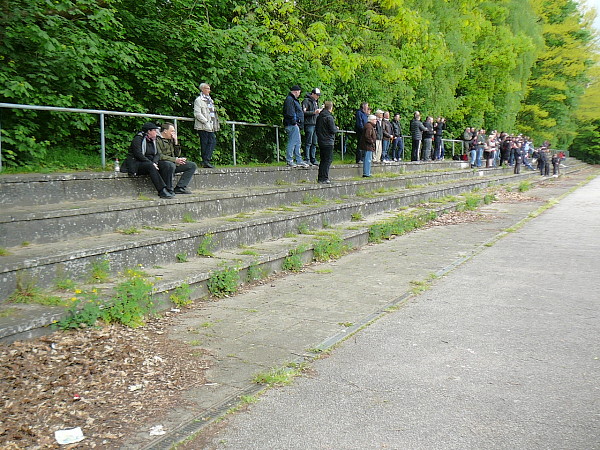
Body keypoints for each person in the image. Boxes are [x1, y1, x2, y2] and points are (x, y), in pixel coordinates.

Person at [123, 122, 173, 199]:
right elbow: (138, 155)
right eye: (154, 130)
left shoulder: (154, 140)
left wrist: (155, 162)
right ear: (149, 131)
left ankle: (169, 189)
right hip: (138, 163)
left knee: (167, 164)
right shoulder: (138, 139)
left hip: (150, 162)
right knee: (150, 166)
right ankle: (161, 190)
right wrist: (151, 163)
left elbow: (157, 154)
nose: (156, 132)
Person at [156, 122, 197, 195]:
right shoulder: (157, 140)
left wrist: (176, 143)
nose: (173, 133)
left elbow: (177, 154)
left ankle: (180, 187)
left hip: (172, 162)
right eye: (172, 131)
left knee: (192, 165)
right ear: (165, 131)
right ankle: (169, 189)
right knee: (170, 165)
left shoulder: (171, 139)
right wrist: (175, 160)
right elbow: (159, 156)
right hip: (162, 164)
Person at [194, 83, 220, 168]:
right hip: (203, 125)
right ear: (202, 89)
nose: (209, 90)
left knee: (212, 141)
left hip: (211, 125)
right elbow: (197, 113)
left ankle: (206, 160)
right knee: (205, 143)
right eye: (207, 88)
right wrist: (206, 121)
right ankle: (205, 161)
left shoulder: (210, 100)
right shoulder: (199, 100)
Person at [283, 85, 308, 167]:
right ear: (296, 91)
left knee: (297, 142)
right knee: (293, 142)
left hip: (294, 124)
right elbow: (290, 112)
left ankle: (298, 160)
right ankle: (290, 160)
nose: (299, 94)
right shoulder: (290, 100)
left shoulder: (292, 100)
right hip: (292, 124)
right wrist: (295, 122)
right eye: (299, 92)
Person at [315, 101, 338, 184]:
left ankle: (320, 177)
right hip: (328, 141)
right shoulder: (329, 117)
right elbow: (332, 130)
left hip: (321, 140)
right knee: (327, 160)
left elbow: (317, 128)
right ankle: (324, 177)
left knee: (323, 160)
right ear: (331, 108)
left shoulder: (319, 116)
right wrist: (336, 128)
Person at [302, 88, 322, 166]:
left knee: (314, 142)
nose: (317, 97)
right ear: (312, 94)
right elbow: (304, 112)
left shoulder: (316, 102)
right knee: (308, 142)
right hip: (309, 124)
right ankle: (307, 158)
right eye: (317, 95)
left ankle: (313, 158)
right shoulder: (306, 101)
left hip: (315, 124)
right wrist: (314, 112)